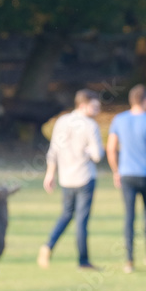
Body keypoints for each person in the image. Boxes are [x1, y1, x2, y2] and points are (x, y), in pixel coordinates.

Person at [106, 84, 146, 273]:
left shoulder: (118, 119)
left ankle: (128, 260)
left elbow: (111, 149)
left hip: (126, 174)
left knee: (129, 216)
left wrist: (116, 171)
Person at [39, 89, 104, 271]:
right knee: (81, 221)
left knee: (67, 215)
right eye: (95, 106)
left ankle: (48, 245)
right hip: (85, 178)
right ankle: (83, 261)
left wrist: (50, 174)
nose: (97, 110)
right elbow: (98, 155)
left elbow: (53, 150)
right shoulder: (90, 126)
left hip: (66, 178)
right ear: (83, 105)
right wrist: (89, 152)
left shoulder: (62, 121)